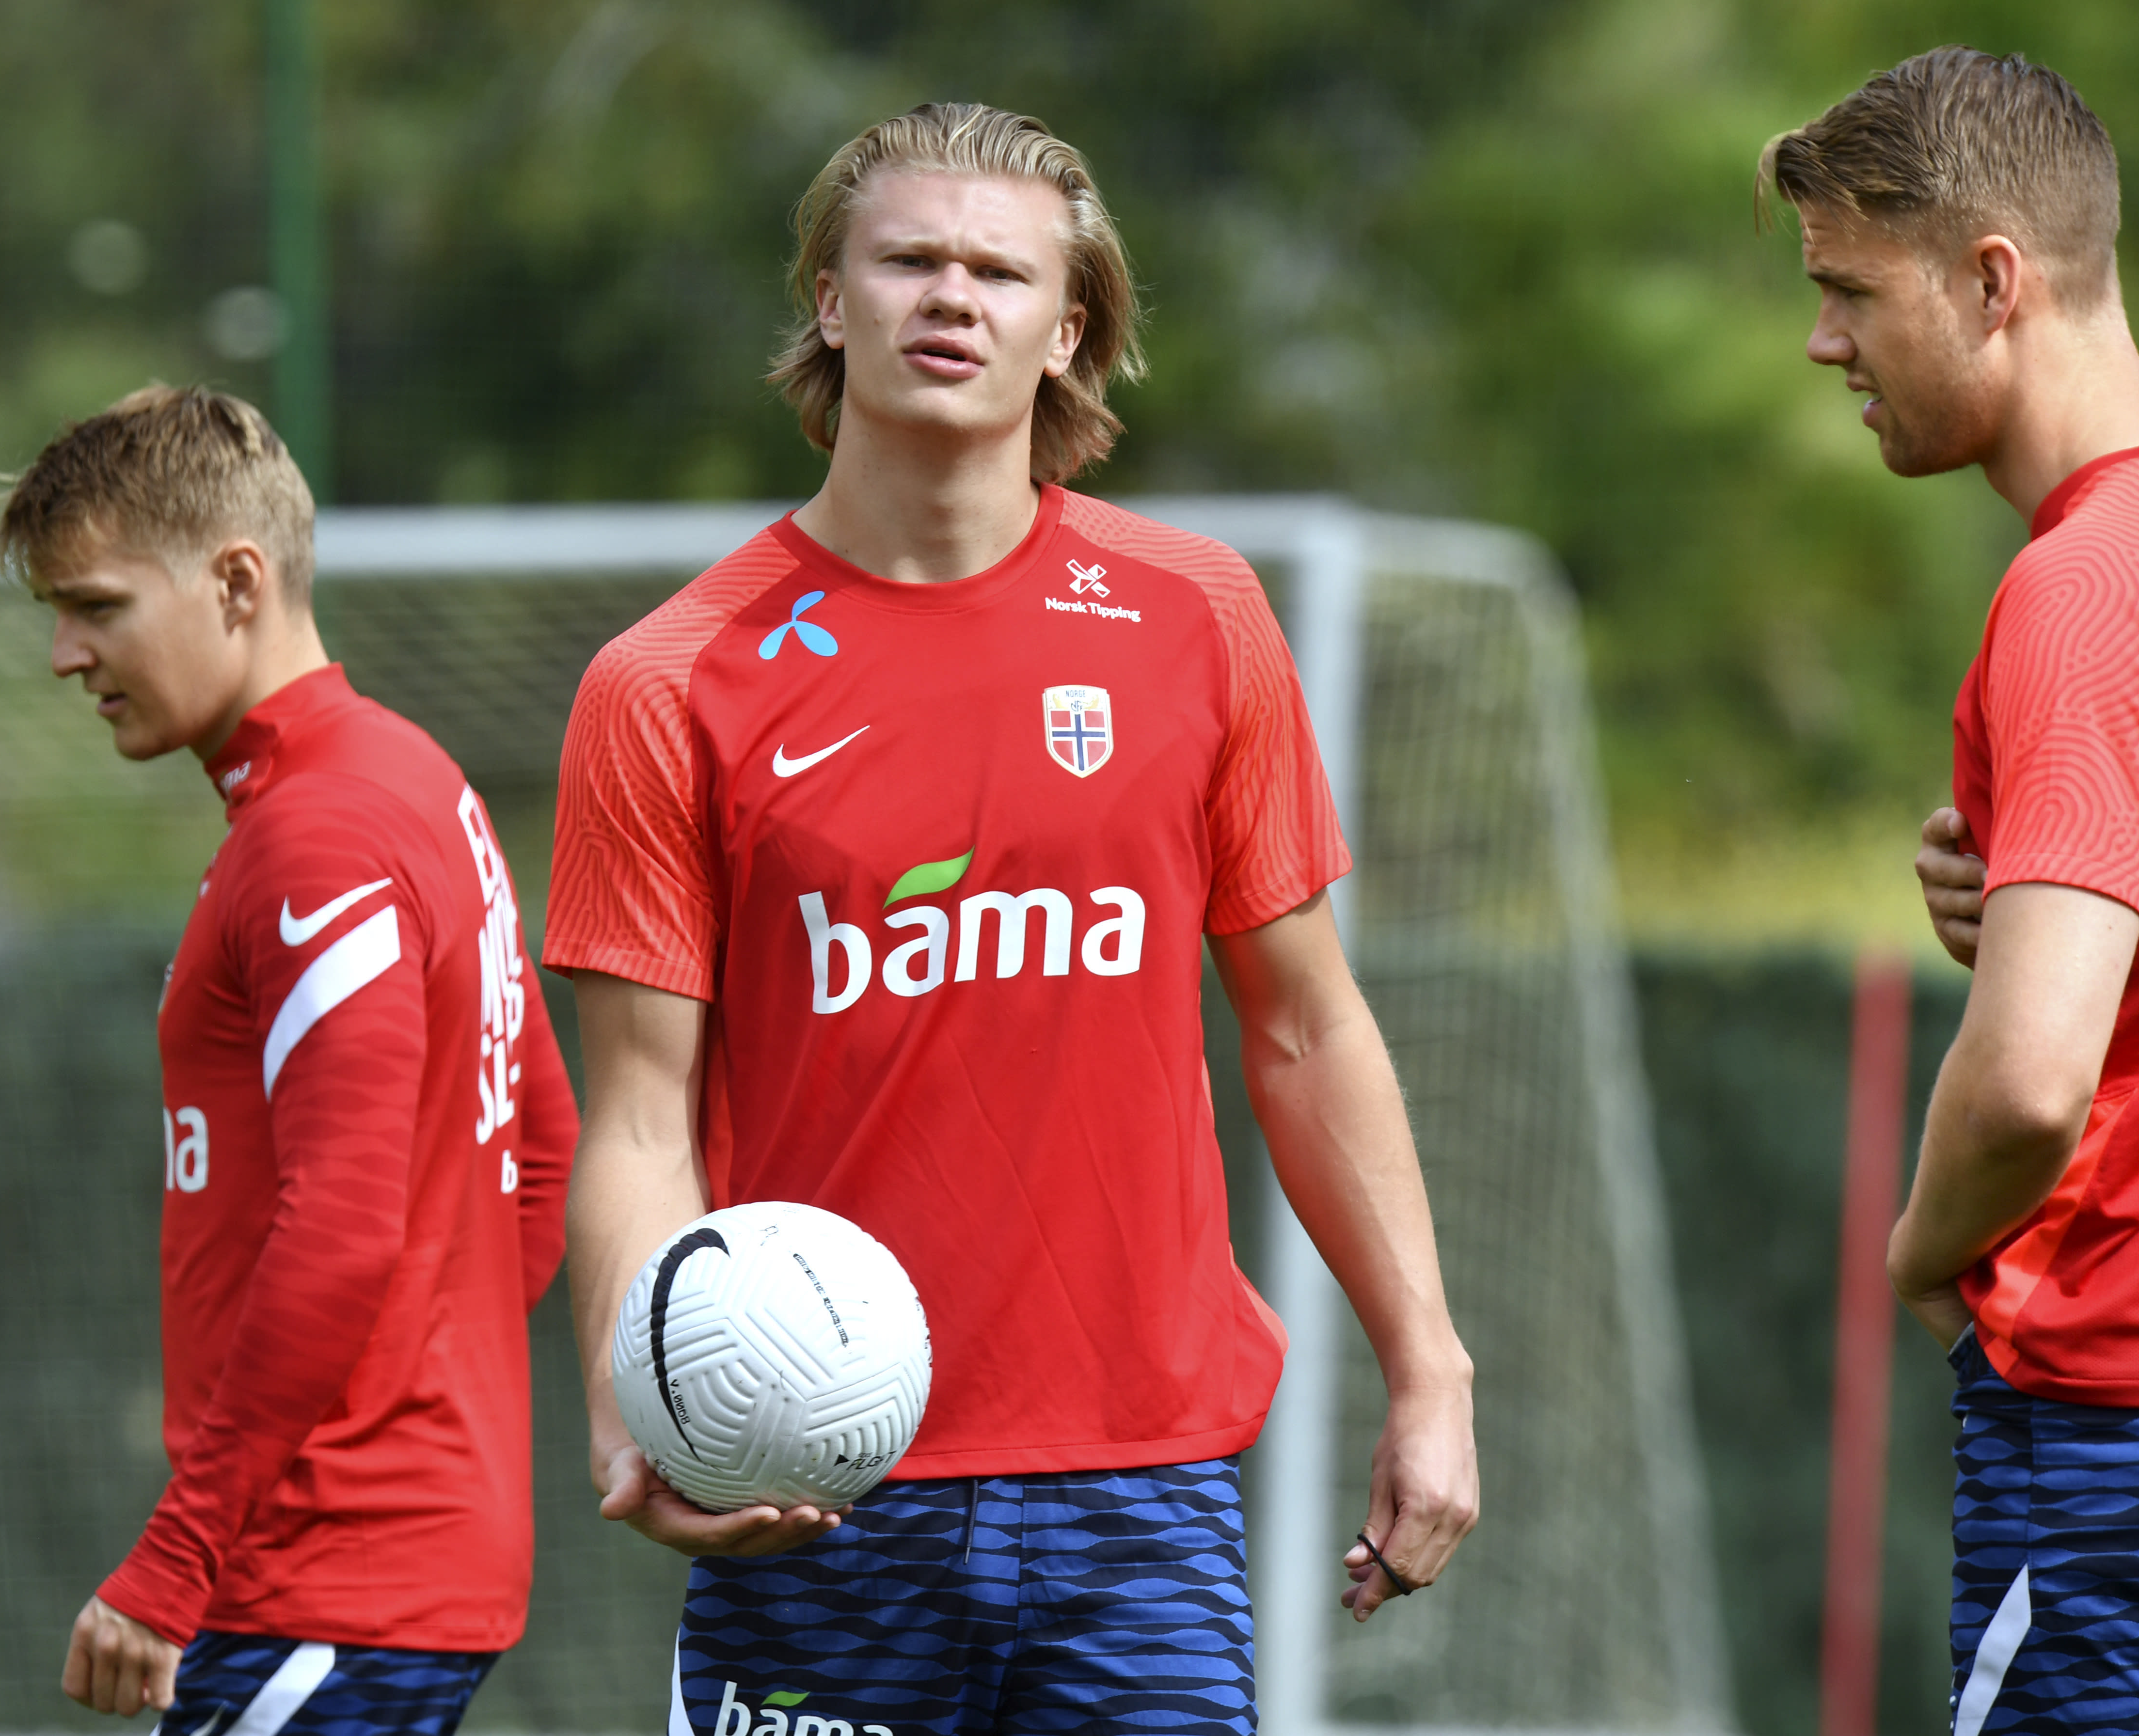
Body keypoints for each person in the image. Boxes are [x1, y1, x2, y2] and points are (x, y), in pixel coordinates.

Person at [544, 102, 1476, 1736]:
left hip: (1143, 1498)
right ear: (830, 302)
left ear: (1068, 331)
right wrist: (641, 1410)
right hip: (806, 1478)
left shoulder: (1197, 617)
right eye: (906, 259)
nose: (949, 297)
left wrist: (1429, 1368)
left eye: (998, 272)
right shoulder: (666, 682)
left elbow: (1304, 1025)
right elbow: (635, 1119)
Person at [0, 385, 576, 1727]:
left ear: (237, 583)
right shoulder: (413, 778)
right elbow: (540, 1157)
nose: (67, 654)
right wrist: (422, 1394)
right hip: (386, 1566)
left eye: (97, 607)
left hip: (320, 1579)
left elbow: (344, 1224)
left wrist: (184, 1554)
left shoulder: (321, 835)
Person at [1765, 47, 2139, 1736]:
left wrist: (1925, 1253)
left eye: (1849, 290)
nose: (1821, 341)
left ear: (1993, 282)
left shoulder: (2079, 589)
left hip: (2105, 1428)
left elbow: (2026, 1088)